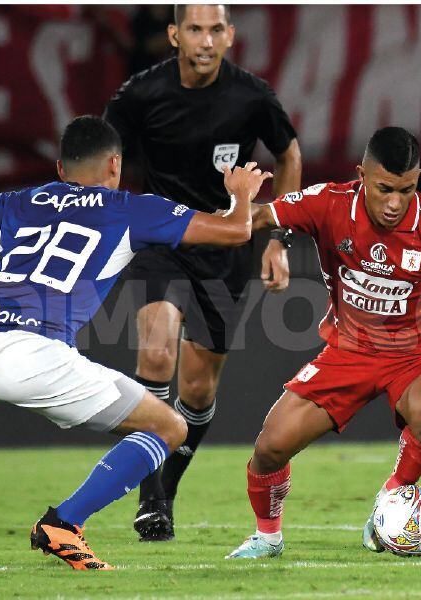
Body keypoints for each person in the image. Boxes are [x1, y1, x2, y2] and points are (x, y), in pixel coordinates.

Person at [0, 115, 270, 569]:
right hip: (35, 355)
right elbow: (235, 232)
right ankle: (64, 524)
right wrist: (242, 195)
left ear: (59, 168)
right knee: (168, 427)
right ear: (115, 164)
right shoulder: (129, 208)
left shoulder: (14, 201)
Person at [224, 126, 421, 559]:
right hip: (348, 351)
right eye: (384, 188)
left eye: (406, 190)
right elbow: (255, 218)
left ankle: (389, 501)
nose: (394, 202)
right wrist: (240, 198)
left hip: (418, 352)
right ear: (360, 175)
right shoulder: (328, 203)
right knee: (270, 448)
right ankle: (268, 537)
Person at [103, 3, 302, 541]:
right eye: (195, 29)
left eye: (216, 29)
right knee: (157, 348)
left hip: (226, 247)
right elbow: (103, 158)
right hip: (164, 238)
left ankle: (165, 488)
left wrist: (275, 236)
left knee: (196, 386)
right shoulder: (140, 95)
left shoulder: (251, 96)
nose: (206, 40)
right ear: (174, 35)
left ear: (231, 36)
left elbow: (289, 155)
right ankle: (150, 499)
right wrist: (106, 220)